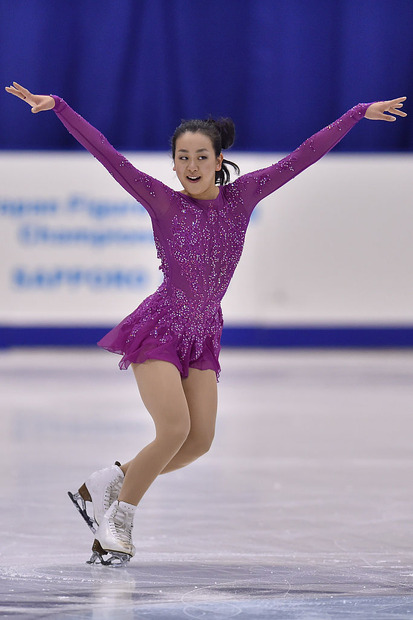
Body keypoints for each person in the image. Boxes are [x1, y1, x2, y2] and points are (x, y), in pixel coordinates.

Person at [5, 82, 407, 565]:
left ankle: (105, 484)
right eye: (182, 157)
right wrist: (61, 108)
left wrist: (358, 112)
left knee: (199, 441)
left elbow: (303, 157)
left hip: (203, 332)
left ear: (218, 160)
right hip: (159, 326)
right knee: (173, 429)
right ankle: (117, 521)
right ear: (172, 164)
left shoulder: (243, 198)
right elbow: (108, 156)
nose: (191, 166)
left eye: (201, 156)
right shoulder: (162, 202)